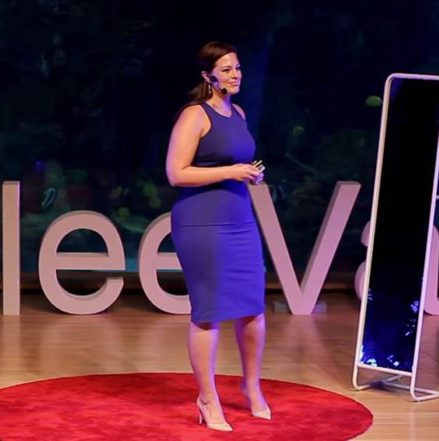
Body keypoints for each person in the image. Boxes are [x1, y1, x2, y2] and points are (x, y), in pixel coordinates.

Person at [165, 41, 270, 432]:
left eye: (238, 67)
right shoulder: (195, 115)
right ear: (207, 76)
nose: (235, 75)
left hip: (240, 219)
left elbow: (235, 164)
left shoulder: (238, 113)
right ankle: (208, 399)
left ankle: (251, 386)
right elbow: (176, 173)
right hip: (201, 223)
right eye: (226, 69)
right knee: (208, 313)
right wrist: (231, 171)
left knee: (253, 308)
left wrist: (249, 174)